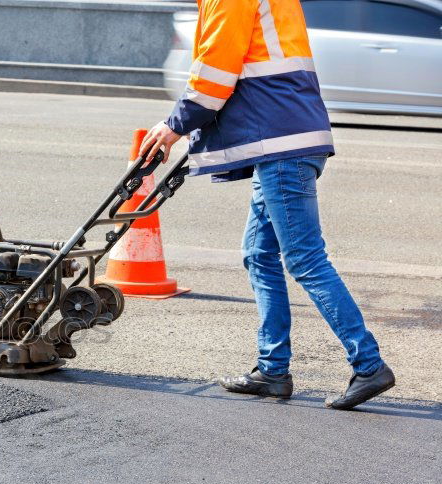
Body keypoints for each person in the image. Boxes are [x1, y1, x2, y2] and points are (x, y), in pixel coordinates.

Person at [139, 0, 394, 410]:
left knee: (306, 259)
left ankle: (368, 364)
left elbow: (216, 72)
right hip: (288, 139)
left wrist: (174, 127)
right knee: (259, 254)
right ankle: (273, 370)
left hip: (282, 146)